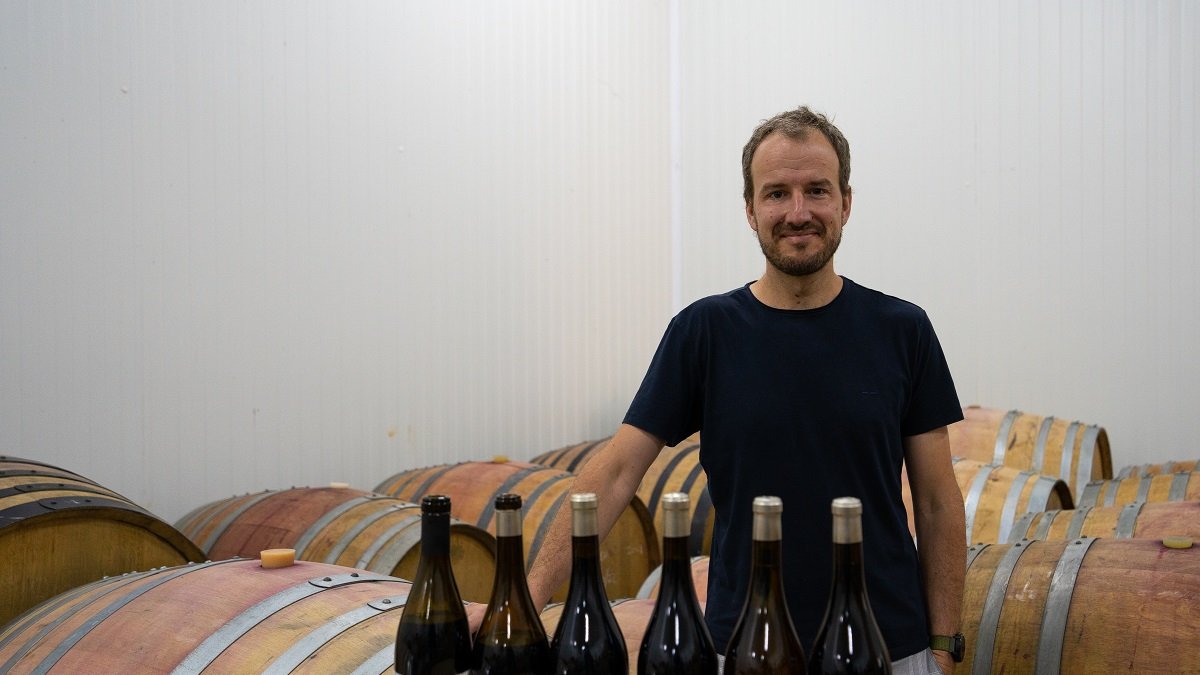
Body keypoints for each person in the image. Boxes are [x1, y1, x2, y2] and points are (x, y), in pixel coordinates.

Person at [522, 106, 966, 675]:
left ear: (846, 203)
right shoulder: (704, 332)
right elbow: (615, 474)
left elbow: (935, 500)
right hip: (747, 648)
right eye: (777, 193)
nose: (798, 212)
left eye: (817, 191)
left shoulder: (903, 329)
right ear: (751, 211)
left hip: (889, 647)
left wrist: (944, 644)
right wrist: (529, 596)